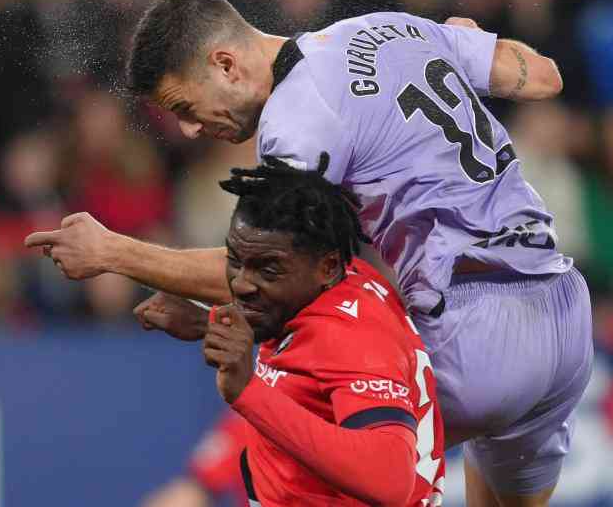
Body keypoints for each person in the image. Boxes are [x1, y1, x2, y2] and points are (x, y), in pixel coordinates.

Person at [25, 0, 593, 506]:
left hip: (473, 337)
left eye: (183, 108)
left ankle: (197, 488)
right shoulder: (390, 27)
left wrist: (113, 254)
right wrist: (457, 37)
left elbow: (274, 278)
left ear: (224, 64)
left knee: (284, 405)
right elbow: (542, 76)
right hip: (563, 316)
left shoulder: (296, 124)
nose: (190, 131)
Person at [139, 155, 445, 506]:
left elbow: (390, 481)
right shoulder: (332, 283)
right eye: (235, 260)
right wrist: (207, 319)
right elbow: (309, 368)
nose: (240, 285)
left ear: (327, 266)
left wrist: (247, 391)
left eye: (268, 270)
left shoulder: (353, 338)